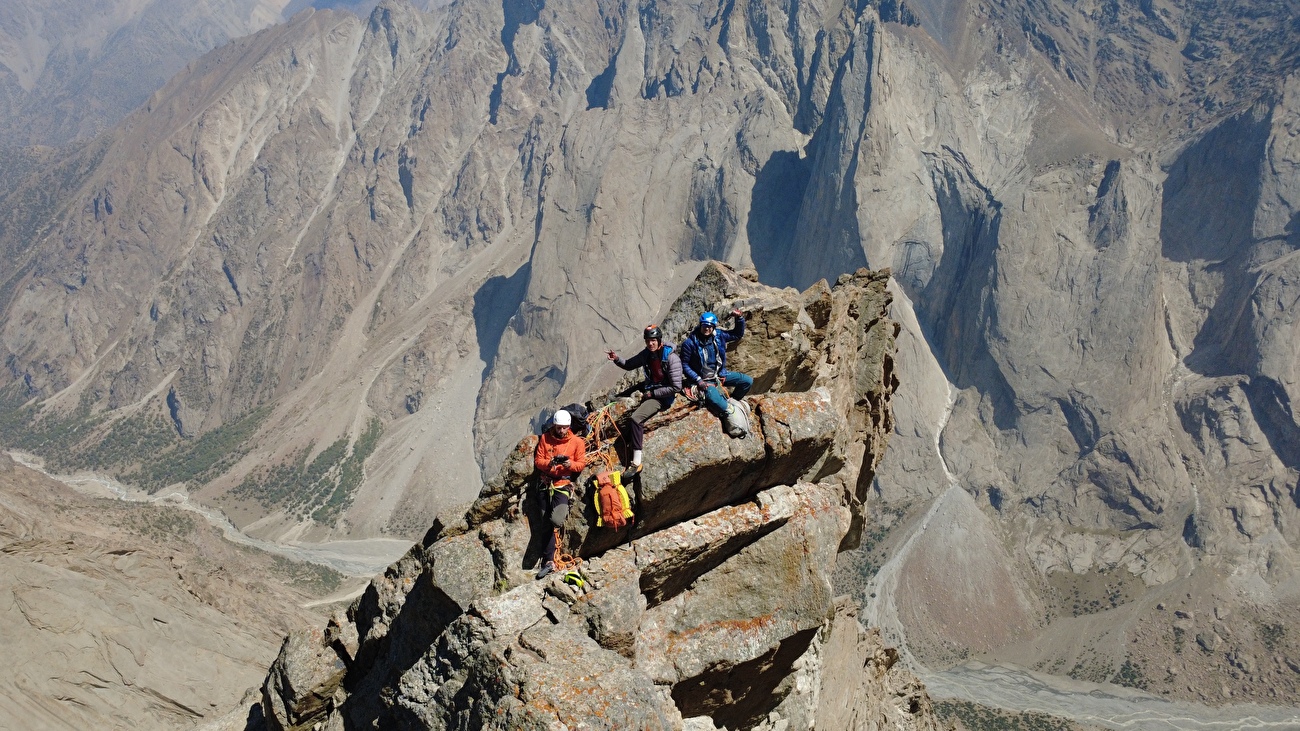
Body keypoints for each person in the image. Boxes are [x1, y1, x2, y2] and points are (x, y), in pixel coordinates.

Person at [606, 324, 682, 474]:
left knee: (636, 418)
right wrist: (616, 359)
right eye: (648, 340)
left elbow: (676, 387)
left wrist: (652, 394)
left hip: (662, 396)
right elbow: (629, 365)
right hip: (651, 388)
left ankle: (637, 463)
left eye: (653, 340)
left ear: (659, 340)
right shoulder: (647, 354)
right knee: (623, 399)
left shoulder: (671, 358)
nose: (650, 343)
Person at [533, 409, 587, 578]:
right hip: (546, 481)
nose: (562, 430)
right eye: (559, 427)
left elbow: (581, 464)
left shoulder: (577, 442)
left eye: (564, 428)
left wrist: (569, 464)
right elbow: (538, 460)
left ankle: (549, 559)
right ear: (555, 426)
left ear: (569, 426)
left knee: (555, 519)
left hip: (563, 484)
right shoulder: (545, 439)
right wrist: (550, 463)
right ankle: (548, 560)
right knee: (544, 521)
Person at [679, 309, 753, 426]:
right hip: (702, 380)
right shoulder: (690, 343)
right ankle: (726, 409)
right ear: (700, 325)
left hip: (719, 375)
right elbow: (684, 365)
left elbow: (737, 334)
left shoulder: (719, 336)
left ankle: (733, 400)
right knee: (715, 398)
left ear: (713, 327)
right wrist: (698, 380)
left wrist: (739, 319)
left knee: (747, 381)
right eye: (704, 325)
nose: (707, 328)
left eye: (710, 326)